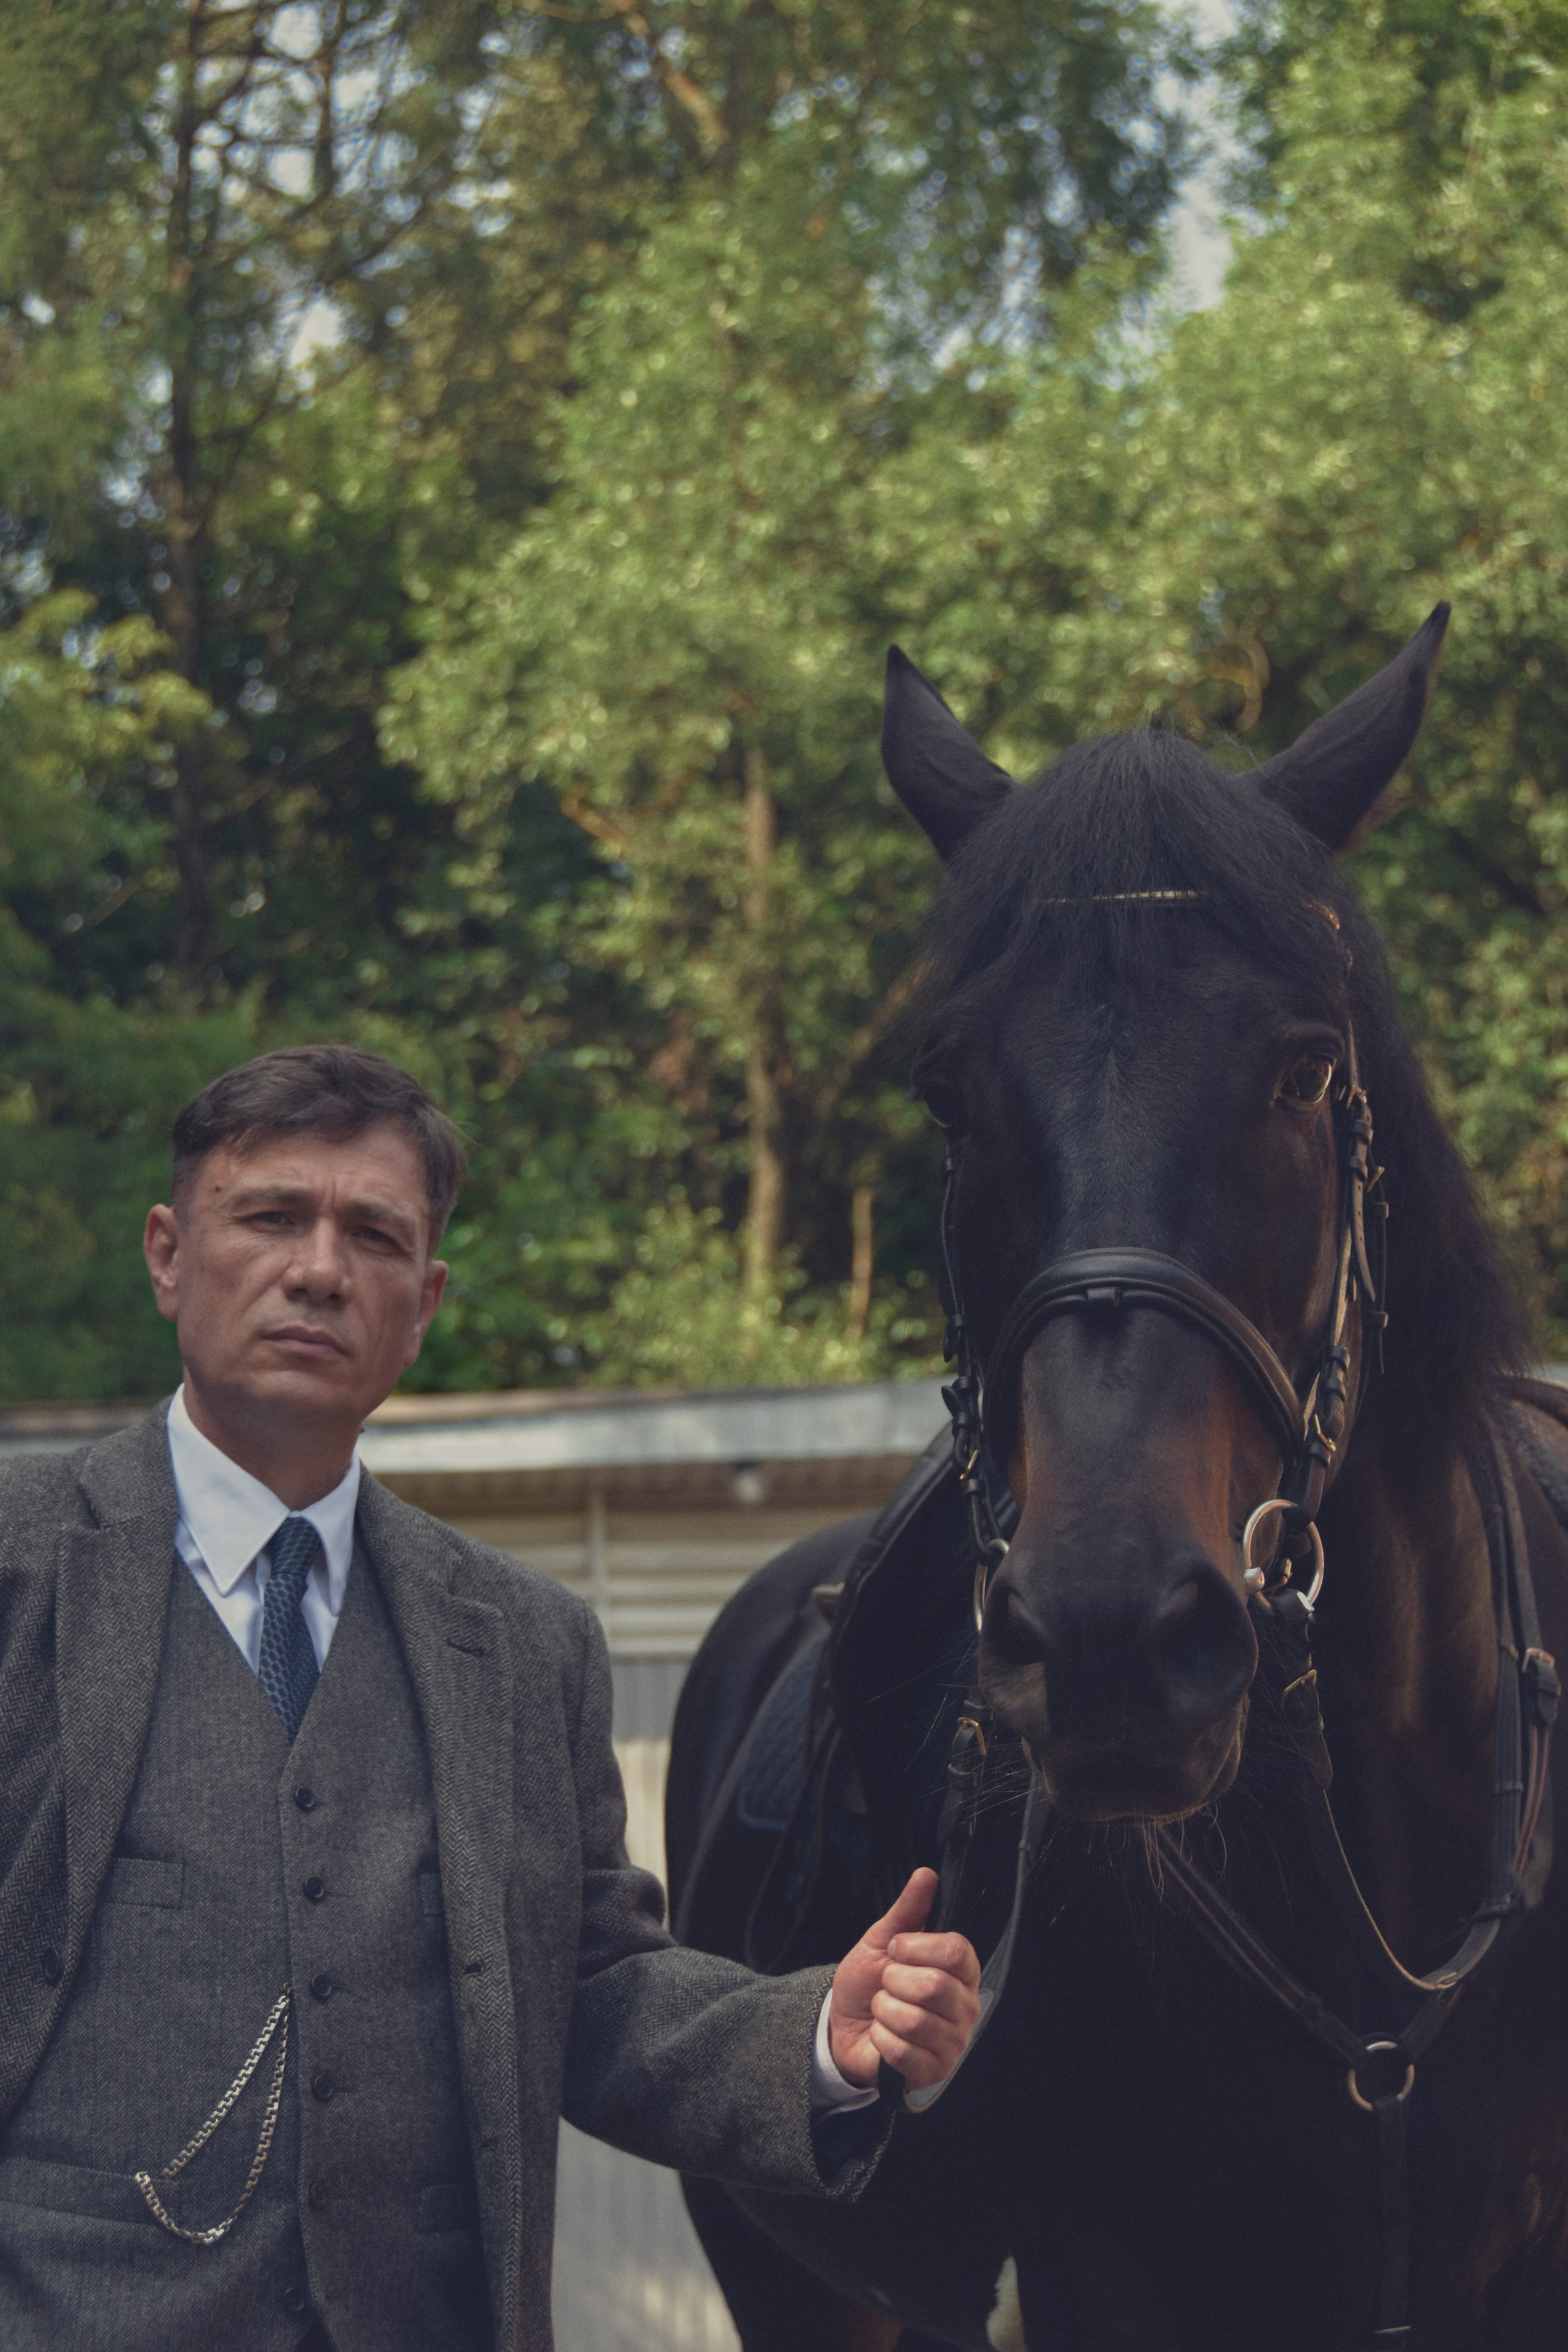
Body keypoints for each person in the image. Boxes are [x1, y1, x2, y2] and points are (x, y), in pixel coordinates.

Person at [0, 1044, 980, 2352]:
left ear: (424, 1301)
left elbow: (591, 1986)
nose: (318, 1268)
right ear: (169, 1254)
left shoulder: (525, 1646)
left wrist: (808, 2034)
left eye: (374, 1234)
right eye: (272, 1216)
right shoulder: (19, 1569)